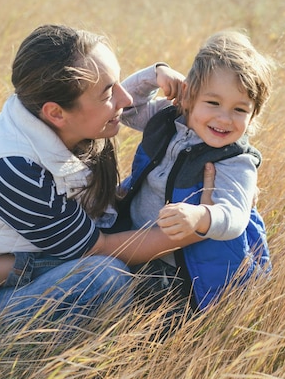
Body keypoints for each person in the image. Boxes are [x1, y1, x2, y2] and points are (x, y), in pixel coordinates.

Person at [0, 24, 206, 351]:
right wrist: (197, 230)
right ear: (56, 112)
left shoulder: (79, 128)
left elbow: (107, 218)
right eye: (109, 92)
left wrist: (158, 73)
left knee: (145, 260)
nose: (124, 99)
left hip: (38, 270)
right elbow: (97, 247)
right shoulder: (13, 170)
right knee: (106, 278)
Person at [116, 29, 273, 312]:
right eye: (213, 103)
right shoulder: (168, 119)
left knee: (152, 329)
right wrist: (156, 74)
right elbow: (125, 109)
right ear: (188, 96)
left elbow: (235, 216)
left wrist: (200, 215)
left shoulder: (236, 160)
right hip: (135, 240)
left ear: (253, 116)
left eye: (240, 109)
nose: (224, 118)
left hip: (182, 274)